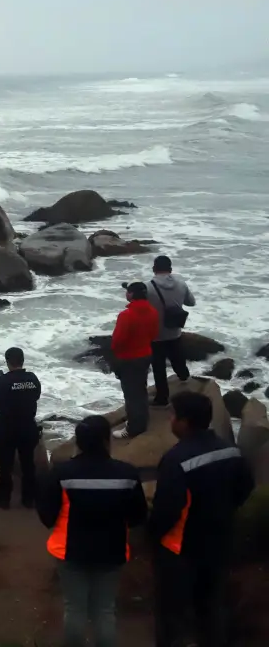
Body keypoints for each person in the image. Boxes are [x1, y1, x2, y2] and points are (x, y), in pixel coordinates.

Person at [147, 391, 255, 647]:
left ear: (185, 422)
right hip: (219, 543)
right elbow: (245, 487)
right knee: (211, 609)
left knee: (173, 616)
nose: (170, 420)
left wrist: (151, 536)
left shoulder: (176, 459)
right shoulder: (231, 452)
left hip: (180, 550)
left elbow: (166, 511)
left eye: (172, 415)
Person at [38, 416, 148, 647]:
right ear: (107, 441)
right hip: (112, 551)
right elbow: (138, 516)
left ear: (78, 442)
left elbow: (47, 515)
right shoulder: (126, 475)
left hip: (70, 551)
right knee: (105, 610)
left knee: (75, 608)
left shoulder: (62, 474)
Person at [0, 347, 42, 509]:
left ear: (7, 362)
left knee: (5, 467)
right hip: (28, 428)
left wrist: (1, 381)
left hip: (7, 430)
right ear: (22, 360)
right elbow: (36, 395)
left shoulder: (3, 381)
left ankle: (3, 500)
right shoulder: (33, 378)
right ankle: (29, 499)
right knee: (28, 465)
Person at [111, 281, 160, 439]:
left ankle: (133, 428)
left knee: (131, 395)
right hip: (145, 355)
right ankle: (142, 420)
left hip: (129, 358)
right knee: (140, 390)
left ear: (131, 295)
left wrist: (116, 356)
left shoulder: (126, 315)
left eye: (128, 291)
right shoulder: (153, 311)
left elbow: (118, 340)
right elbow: (154, 334)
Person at [147, 255, 197, 406]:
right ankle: (185, 381)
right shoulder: (181, 284)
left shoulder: (147, 286)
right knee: (178, 359)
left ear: (154, 268)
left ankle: (162, 398)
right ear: (170, 269)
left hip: (155, 334)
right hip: (175, 331)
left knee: (158, 366)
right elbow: (191, 302)